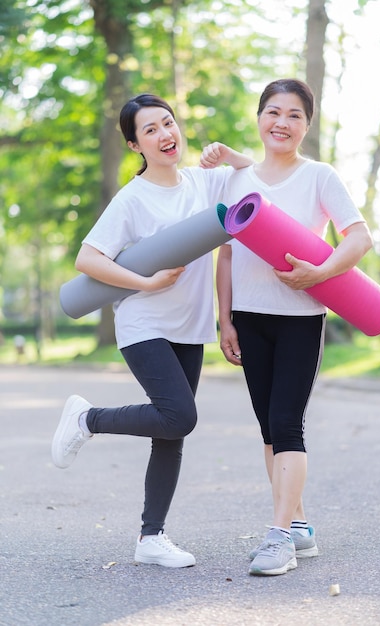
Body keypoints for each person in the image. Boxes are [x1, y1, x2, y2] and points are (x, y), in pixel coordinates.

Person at [51, 93, 252, 568]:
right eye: (151, 130)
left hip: (189, 325)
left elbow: (253, 177)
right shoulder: (132, 198)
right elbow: (87, 259)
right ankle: (87, 419)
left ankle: (151, 538)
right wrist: (144, 282)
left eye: (169, 123)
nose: (165, 135)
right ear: (134, 144)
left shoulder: (204, 182)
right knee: (180, 415)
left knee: (171, 431)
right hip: (144, 321)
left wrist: (227, 154)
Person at [201, 78, 373, 576]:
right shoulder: (236, 179)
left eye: (294, 115)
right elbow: (226, 255)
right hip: (250, 319)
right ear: (259, 118)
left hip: (301, 319)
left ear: (306, 125)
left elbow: (359, 238)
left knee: (287, 422)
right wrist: (225, 319)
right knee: (268, 429)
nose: (282, 122)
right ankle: (297, 525)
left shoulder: (320, 176)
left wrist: (321, 273)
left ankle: (278, 538)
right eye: (273, 112)